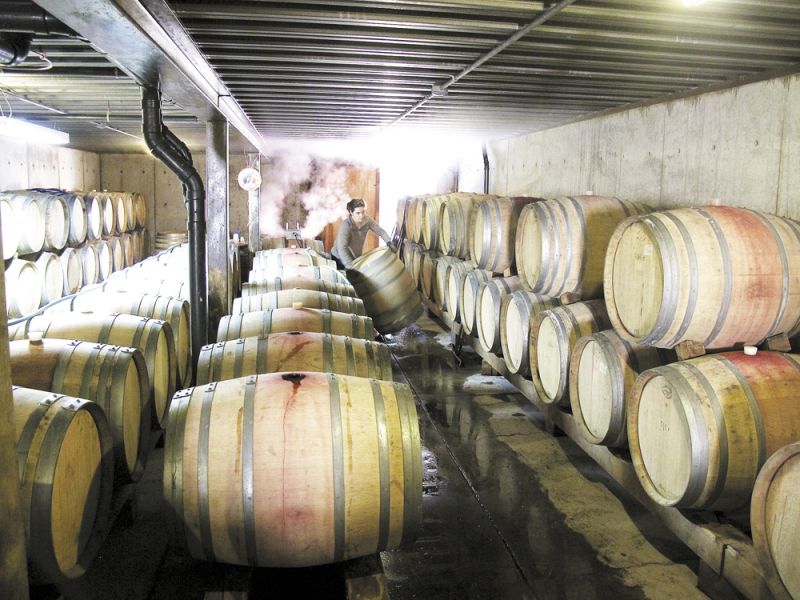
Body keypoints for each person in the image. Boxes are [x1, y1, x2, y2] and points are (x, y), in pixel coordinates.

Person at [332, 198, 393, 269]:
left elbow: (381, 232)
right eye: (358, 213)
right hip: (339, 258)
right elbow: (342, 248)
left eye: (363, 212)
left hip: (355, 259)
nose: (361, 215)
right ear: (351, 212)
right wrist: (351, 267)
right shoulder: (346, 225)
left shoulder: (367, 220)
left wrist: (389, 242)